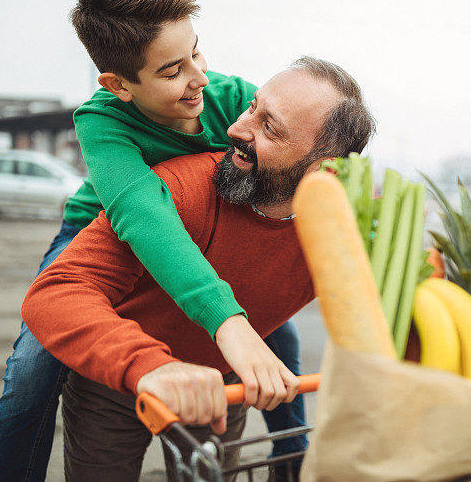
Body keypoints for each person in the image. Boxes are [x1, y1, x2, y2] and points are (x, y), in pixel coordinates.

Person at [0, 0, 303, 481]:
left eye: (197, 52)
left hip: (194, 228)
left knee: (276, 338)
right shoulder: (102, 121)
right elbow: (144, 216)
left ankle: (291, 465)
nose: (199, 77)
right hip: (98, 225)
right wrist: (225, 319)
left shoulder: (229, 98)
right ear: (119, 86)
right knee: (33, 368)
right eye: (172, 70)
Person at [21, 57, 375, 480]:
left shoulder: (342, 237)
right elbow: (55, 292)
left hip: (221, 388)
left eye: (270, 128)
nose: (236, 129)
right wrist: (149, 366)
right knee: (32, 386)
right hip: (117, 379)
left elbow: (396, 310)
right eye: (251, 108)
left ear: (325, 170)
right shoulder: (183, 187)